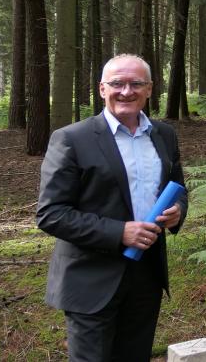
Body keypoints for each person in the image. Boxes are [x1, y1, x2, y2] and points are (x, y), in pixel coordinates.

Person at [36, 54, 188, 361]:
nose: (126, 91)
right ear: (102, 89)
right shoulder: (72, 139)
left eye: (136, 83)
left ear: (149, 89)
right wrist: (120, 232)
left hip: (146, 275)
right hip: (90, 278)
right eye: (117, 83)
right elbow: (51, 213)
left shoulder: (164, 135)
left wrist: (179, 212)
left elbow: (177, 188)